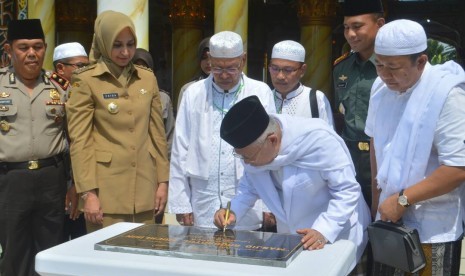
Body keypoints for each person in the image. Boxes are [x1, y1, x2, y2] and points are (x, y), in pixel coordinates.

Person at [213, 95, 370, 271]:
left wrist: (324, 230)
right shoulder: (255, 151)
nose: (246, 162)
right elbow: (248, 189)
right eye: (241, 156)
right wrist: (232, 210)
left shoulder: (318, 141)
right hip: (293, 242)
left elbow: (347, 191)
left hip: (337, 235)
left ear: (272, 140)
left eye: (248, 157)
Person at [366, 19, 465, 275]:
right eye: (379, 65)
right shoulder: (380, 89)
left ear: (421, 61)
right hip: (387, 220)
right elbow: (375, 143)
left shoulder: (447, 94)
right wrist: (378, 202)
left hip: (431, 228)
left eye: (394, 67)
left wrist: (401, 200)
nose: (385, 75)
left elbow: (457, 168)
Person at [66, 10, 169, 232]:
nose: (125, 52)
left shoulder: (147, 78)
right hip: (105, 194)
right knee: (105, 263)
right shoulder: (86, 80)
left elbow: (157, 134)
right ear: (103, 42)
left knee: (144, 258)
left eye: (131, 44)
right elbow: (80, 141)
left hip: (145, 190)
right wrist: (88, 193)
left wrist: (163, 182)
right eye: (117, 45)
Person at [169, 31, 276, 230]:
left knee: (244, 253)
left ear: (243, 60)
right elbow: (180, 149)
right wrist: (180, 201)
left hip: (246, 196)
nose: (224, 75)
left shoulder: (260, 92)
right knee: (203, 254)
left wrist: (268, 203)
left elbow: (268, 152)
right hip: (203, 196)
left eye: (231, 68)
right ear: (209, 60)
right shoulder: (193, 93)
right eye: (217, 68)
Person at [0, 19, 68, 276]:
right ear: (9, 50)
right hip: (9, 180)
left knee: (50, 250)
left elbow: (73, 137)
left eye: (38, 47)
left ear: (46, 48)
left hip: (52, 178)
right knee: (14, 253)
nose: (32, 53)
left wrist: (73, 184)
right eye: (23, 47)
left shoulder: (60, 87)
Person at [333, 0, 385, 209]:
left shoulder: (392, 67)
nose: (350, 34)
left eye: (357, 26)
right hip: (348, 161)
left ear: (380, 24)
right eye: (346, 28)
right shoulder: (341, 68)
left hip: (382, 159)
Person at [52, 42, 89, 241]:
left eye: (87, 66)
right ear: (60, 68)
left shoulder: (82, 89)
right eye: (80, 66)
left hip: (80, 177)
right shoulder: (53, 92)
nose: (85, 71)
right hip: (58, 176)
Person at [270, 40, 334, 127]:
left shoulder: (316, 99)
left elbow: (328, 138)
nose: (280, 76)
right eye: (274, 68)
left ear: (302, 70)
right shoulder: (264, 97)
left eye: (288, 70)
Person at [133, 48, 175, 159]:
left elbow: (170, 134)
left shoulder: (163, 98)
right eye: (136, 66)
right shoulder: (122, 96)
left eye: (145, 67)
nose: (140, 71)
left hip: (156, 159)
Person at [176, 37, 211, 110]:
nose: (208, 62)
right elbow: (182, 119)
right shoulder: (188, 89)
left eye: (211, 58)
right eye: (204, 58)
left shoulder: (229, 87)